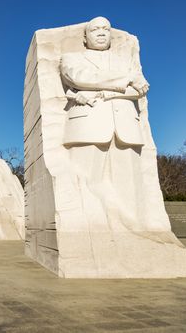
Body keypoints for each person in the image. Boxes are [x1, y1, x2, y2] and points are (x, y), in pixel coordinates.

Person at [59, 16, 155, 231]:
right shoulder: (71, 58)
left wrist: (106, 93)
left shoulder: (126, 61)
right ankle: (88, 229)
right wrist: (123, 81)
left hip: (126, 127)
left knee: (130, 187)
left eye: (106, 29)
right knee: (84, 183)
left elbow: (140, 89)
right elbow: (78, 77)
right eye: (95, 29)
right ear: (85, 37)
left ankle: (133, 232)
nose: (101, 32)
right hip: (87, 126)